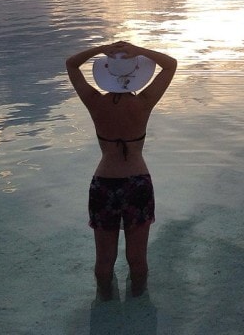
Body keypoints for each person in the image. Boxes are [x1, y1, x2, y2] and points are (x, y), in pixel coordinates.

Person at [66, 41, 177, 299]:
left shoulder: (94, 102)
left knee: (104, 261)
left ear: (107, 74)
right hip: (137, 183)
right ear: (137, 74)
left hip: (104, 183)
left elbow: (71, 64)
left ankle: (104, 303)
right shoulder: (145, 102)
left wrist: (100, 49)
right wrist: (139, 51)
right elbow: (170, 65)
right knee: (137, 259)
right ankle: (139, 304)